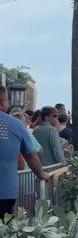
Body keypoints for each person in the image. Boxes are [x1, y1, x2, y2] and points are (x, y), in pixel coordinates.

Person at [0, 86, 49, 220]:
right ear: (2, 102)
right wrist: (41, 174)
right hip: (4, 191)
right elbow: (31, 156)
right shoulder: (15, 125)